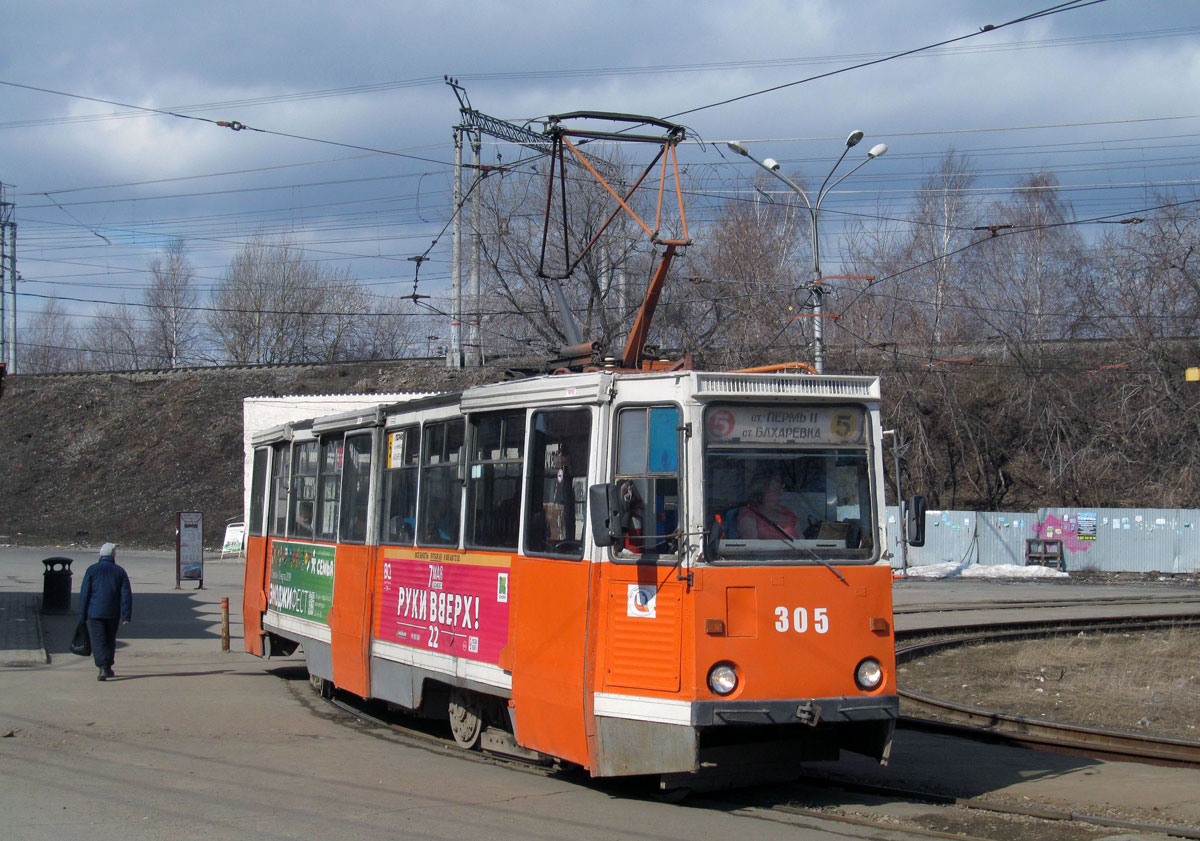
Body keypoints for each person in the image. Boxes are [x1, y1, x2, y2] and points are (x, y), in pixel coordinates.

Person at [78, 542, 133, 681]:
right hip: (112, 612)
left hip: (94, 612)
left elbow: (85, 593)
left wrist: (82, 614)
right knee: (110, 639)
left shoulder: (92, 570)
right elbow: (126, 594)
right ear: (113, 555)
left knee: (98, 640)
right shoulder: (120, 571)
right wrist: (126, 614)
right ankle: (107, 666)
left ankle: (102, 667)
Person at [737, 469, 799, 539]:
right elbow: (752, 547)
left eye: (781, 487)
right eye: (774, 488)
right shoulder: (749, 514)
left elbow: (804, 545)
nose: (780, 492)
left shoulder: (788, 513)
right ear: (761, 491)